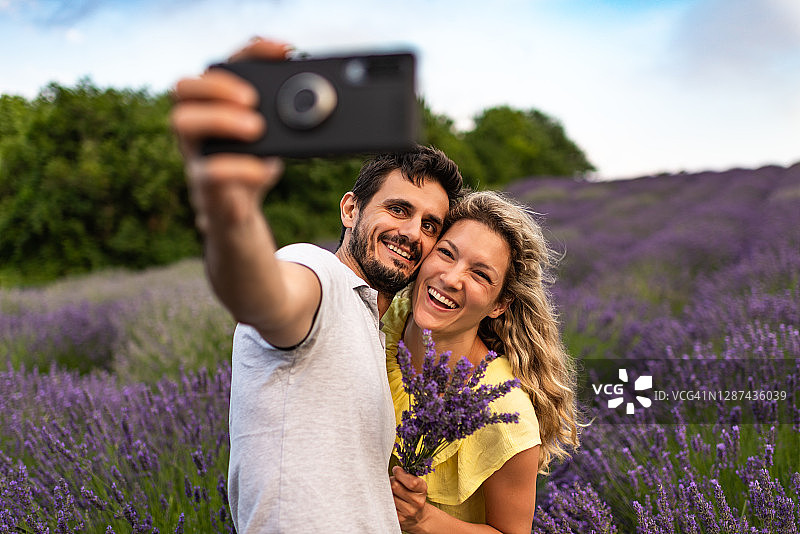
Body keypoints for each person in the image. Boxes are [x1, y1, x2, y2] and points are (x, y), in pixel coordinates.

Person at [170, 37, 464, 533]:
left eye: (430, 224)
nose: (413, 233)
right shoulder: (316, 274)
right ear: (350, 209)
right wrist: (229, 208)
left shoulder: (372, 324)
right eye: (398, 209)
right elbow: (262, 295)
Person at [383, 191, 581, 533]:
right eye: (446, 253)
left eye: (480, 275)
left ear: (499, 304)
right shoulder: (380, 318)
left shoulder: (504, 413)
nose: (451, 278)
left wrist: (423, 518)